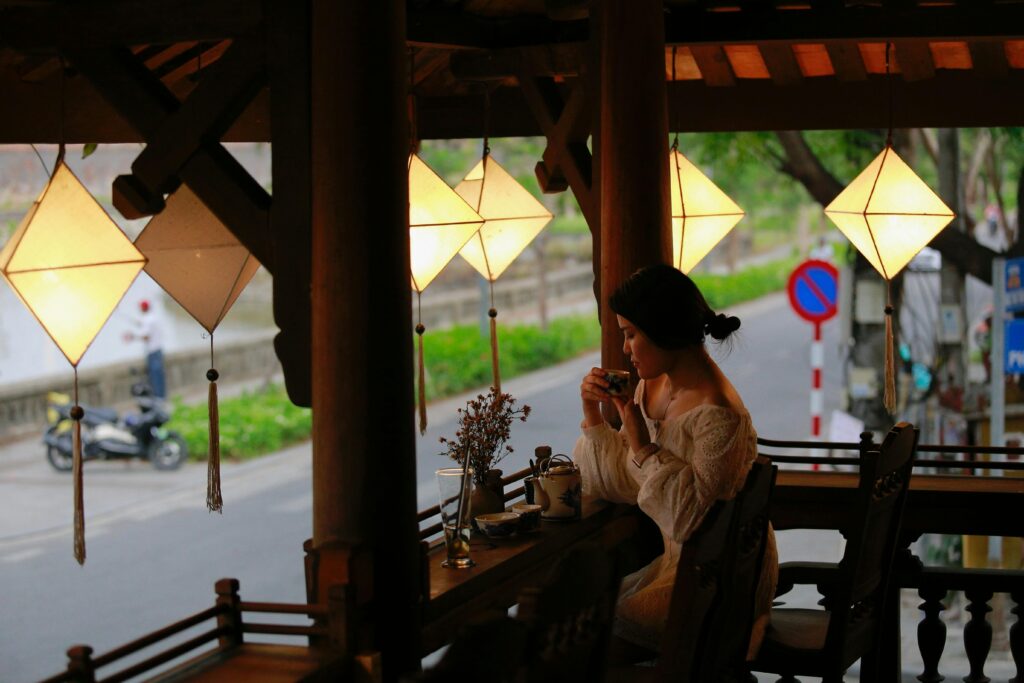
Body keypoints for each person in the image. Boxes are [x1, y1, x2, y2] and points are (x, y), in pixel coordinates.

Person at [573, 263, 778, 663]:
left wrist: (644, 447)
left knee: (582, 644)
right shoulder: (654, 382)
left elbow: (691, 523)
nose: (626, 349)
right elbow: (620, 482)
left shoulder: (719, 415)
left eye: (631, 335)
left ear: (663, 329)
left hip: (718, 579)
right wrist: (594, 414)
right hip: (680, 568)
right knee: (576, 621)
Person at [124, 299, 167, 398]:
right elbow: (144, 325)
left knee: (155, 377)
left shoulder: (148, 320)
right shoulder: (153, 318)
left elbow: (146, 337)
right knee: (159, 376)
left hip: (152, 352)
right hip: (158, 350)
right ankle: (162, 397)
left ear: (142, 308)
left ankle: (158, 398)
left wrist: (132, 337)